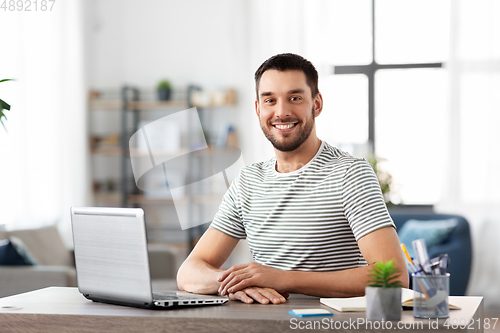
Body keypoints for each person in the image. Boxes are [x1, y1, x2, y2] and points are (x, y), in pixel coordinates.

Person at [177, 53, 408, 305]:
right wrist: (237, 284)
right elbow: (189, 273)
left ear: (316, 104)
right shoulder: (248, 181)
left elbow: (393, 277)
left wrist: (283, 279)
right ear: (258, 109)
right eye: (270, 100)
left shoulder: (350, 174)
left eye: (295, 98)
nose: (282, 112)